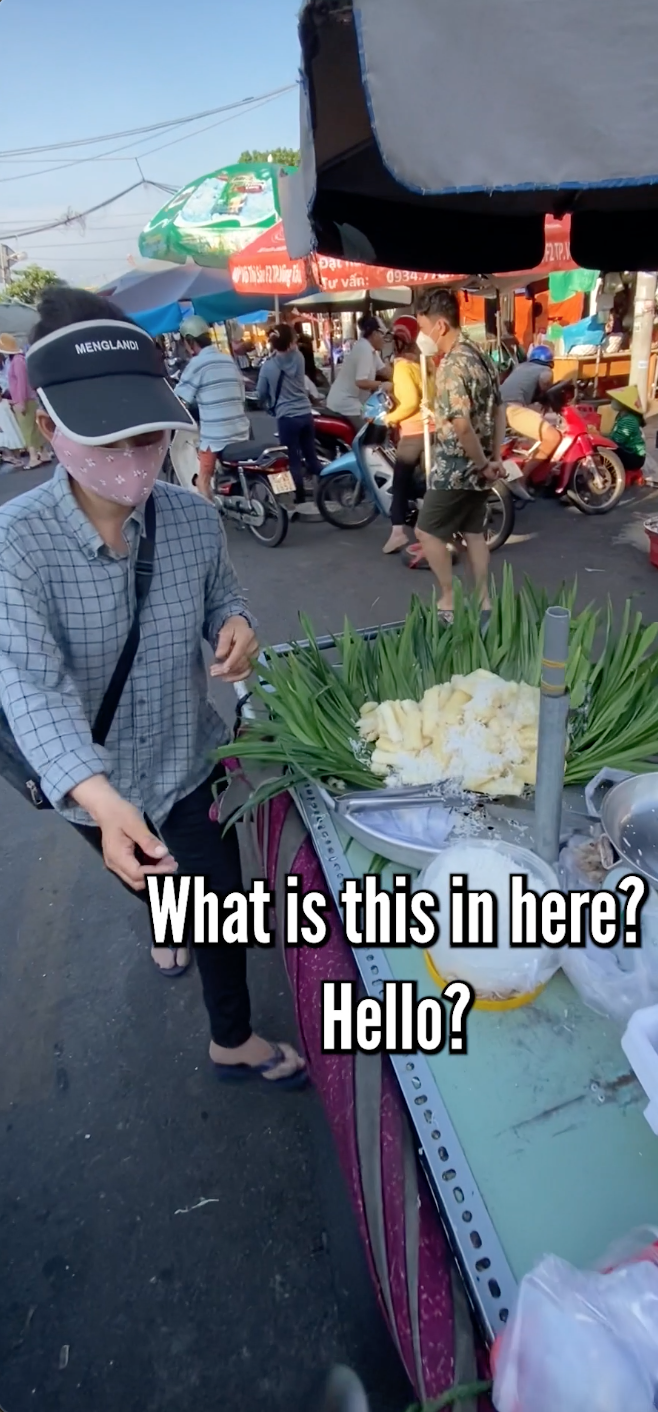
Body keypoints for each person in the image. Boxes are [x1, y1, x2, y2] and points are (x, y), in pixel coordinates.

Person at [0, 287, 305, 1087]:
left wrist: (237, 627)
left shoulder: (193, 518)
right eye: (109, 437)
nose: (134, 454)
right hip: (92, 784)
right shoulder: (15, 548)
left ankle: (230, 1039)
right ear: (47, 428)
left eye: (146, 432)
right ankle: (167, 920)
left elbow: (222, 599)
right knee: (148, 875)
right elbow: (31, 690)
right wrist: (102, 809)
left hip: (187, 761)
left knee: (219, 911)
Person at [412, 288, 504, 619]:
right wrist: (494, 459)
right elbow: (499, 410)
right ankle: (484, 602)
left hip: (456, 467)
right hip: (479, 467)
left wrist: (482, 463)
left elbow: (462, 426)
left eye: (423, 329)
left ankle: (448, 599)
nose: (423, 337)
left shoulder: (451, 366)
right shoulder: (480, 355)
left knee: (426, 530)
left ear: (439, 325)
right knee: (474, 533)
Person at [172, 314, 251, 502]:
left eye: (185, 342)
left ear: (190, 341)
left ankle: (211, 514)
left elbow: (179, 398)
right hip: (241, 430)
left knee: (202, 481)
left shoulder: (197, 364)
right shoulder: (227, 359)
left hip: (216, 437)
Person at [254, 323, 321, 518]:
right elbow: (290, 351)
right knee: (311, 457)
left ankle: (298, 501)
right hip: (305, 414)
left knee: (290, 460)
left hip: (286, 417)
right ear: (291, 342)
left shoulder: (268, 367)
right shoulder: (299, 358)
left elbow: (261, 393)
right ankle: (322, 493)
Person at [379, 315, 427, 556]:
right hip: (430, 431)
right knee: (421, 484)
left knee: (400, 484)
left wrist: (390, 417)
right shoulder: (421, 363)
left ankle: (398, 532)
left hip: (412, 433)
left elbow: (410, 402)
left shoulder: (402, 367)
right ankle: (423, 527)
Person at [499, 343, 560, 468]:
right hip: (513, 409)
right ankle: (524, 478)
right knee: (553, 437)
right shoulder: (545, 370)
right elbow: (545, 388)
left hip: (498, 407)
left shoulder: (520, 367)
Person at [0, 332, 50, 469]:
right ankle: (43, 453)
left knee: (27, 430)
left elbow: (22, 383)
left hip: (23, 400)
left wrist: (20, 402)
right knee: (33, 428)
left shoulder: (17, 361)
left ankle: (34, 457)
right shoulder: (17, 360)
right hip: (26, 399)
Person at [326, 313, 385, 418]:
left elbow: (385, 371)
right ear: (375, 333)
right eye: (383, 334)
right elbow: (360, 382)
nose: (384, 339)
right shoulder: (364, 349)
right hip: (345, 403)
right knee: (371, 424)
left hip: (354, 402)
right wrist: (381, 385)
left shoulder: (371, 350)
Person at [606, 384, 648, 474]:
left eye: (615, 400)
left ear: (623, 404)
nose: (612, 402)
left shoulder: (629, 419)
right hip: (629, 452)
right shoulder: (622, 416)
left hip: (634, 457)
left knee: (606, 451)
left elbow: (617, 440)